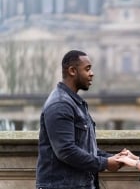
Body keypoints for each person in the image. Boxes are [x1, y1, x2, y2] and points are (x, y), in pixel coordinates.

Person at [36, 50, 122, 189]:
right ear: (72, 71)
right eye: (87, 69)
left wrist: (111, 158)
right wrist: (105, 163)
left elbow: (84, 148)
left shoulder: (73, 102)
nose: (92, 73)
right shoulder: (60, 104)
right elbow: (66, 151)